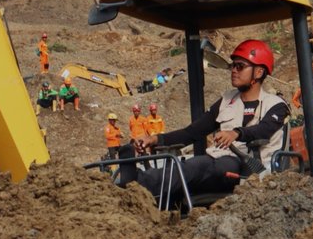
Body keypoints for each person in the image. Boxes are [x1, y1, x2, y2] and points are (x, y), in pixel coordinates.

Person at [119, 39, 289, 203]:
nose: (234, 70)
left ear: (258, 72)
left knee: (199, 165)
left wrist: (236, 133)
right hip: (221, 161)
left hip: (250, 167)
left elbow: (264, 129)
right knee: (191, 167)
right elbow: (191, 132)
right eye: (232, 66)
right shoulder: (226, 101)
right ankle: (141, 186)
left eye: (240, 66)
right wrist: (154, 139)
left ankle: (136, 183)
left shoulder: (276, 105)